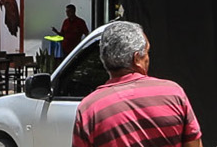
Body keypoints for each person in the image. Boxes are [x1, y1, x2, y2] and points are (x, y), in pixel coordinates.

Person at [71, 21, 201, 147]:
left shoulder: (89, 109)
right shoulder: (173, 93)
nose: (148, 58)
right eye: (147, 52)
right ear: (137, 58)